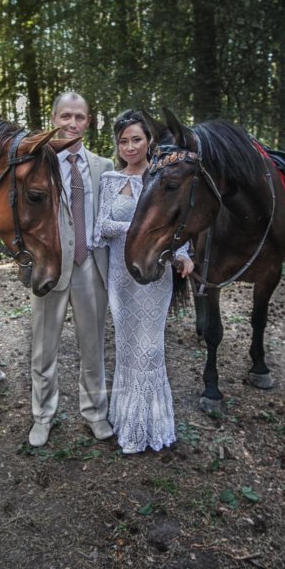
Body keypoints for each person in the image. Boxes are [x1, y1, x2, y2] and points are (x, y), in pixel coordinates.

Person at [95, 110, 194, 454]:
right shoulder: (110, 180)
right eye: (123, 141)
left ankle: (154, 425)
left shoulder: (160, 178)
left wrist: (185, 254)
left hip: (156, 273)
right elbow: (101, 227)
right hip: (121, 276)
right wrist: (135, 229)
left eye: (137, 139)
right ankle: (127, 423)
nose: (130, 146)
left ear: (149, 141)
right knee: (126, 348)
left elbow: (174, 223)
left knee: (151, 349)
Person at [28, 92, 114, 447]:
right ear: (54, 119)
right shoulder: (36, 165)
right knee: (43, 348)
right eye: (65, 117)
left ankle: (95, 412)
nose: (72, 124)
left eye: (79, 117)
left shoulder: (104, 166)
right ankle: (42, 416)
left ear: (88, 122)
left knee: (92, 346)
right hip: (50, 266)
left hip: (91, 267)